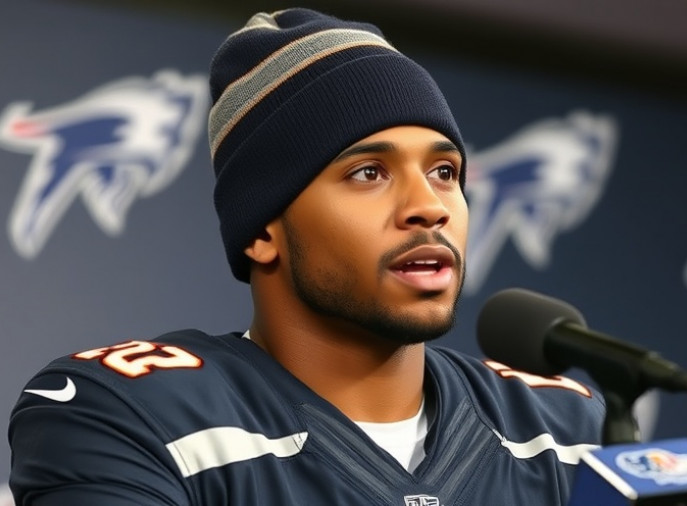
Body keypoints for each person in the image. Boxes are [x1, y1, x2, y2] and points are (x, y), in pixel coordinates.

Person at [8, 8, 606, 505]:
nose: (429, 207)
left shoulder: (566, 429)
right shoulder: (123, 412)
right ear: (261, 230)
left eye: (444, 171)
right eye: (369, 172)